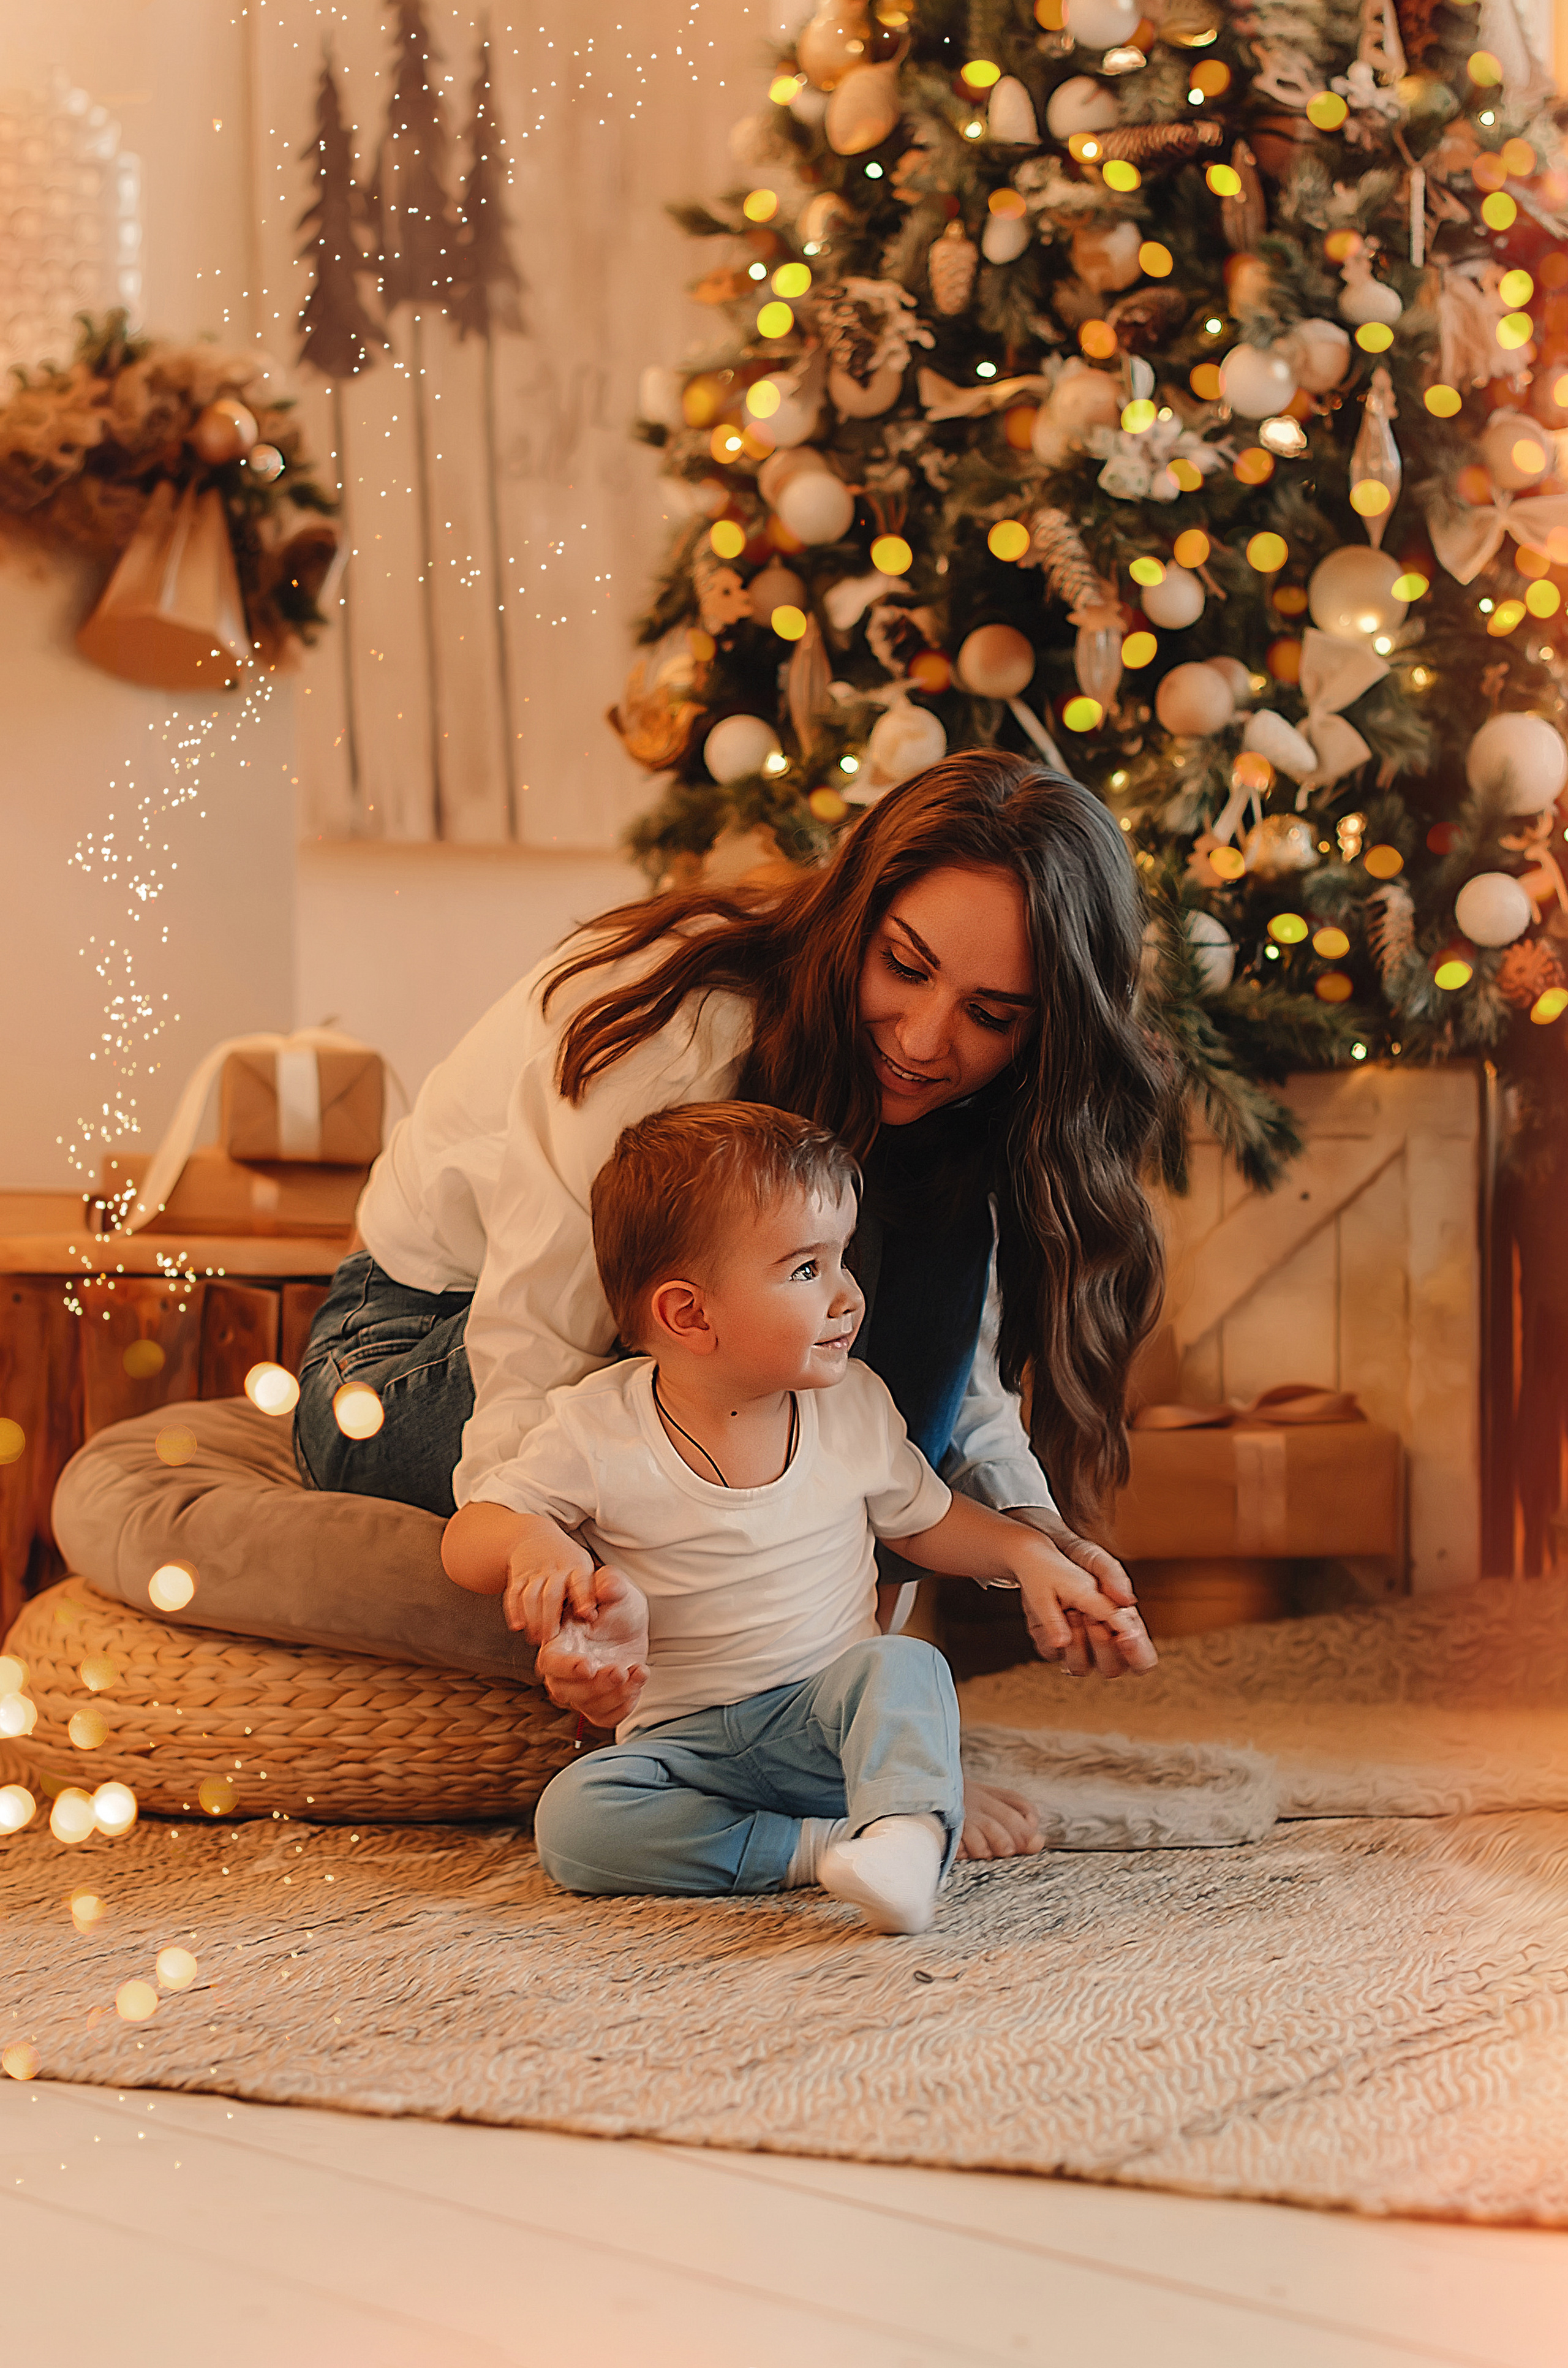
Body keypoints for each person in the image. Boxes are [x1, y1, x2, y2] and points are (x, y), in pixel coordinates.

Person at [294, 751, 1170, 1859]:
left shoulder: (956, 1104)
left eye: (991, 1015)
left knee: (892, 1256)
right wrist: (553, 1566)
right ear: (859, 917)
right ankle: (788, 1758)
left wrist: (1034, 1535)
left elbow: (953, 1382)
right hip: (418, 1343)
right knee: (750, 1391)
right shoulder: (675, 1030)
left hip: (686, 1340)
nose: (923, 1038)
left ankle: (851, 1735)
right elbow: (536, 1345)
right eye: (904, 967)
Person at [441, 1103, 1155, 1935]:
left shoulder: (853, 1405)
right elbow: (469, 1536)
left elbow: (923, 1521)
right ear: (689, 1315)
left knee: (904, 1670)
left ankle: (904, 1817)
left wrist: (1032, 1554)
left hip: (830, 1727)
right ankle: (840, 1846)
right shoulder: (594, 1428)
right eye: (808, 1268)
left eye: (842, 1256)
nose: (851, 1294)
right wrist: (534, 1540)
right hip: (687, 1752)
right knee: (573, 1821)